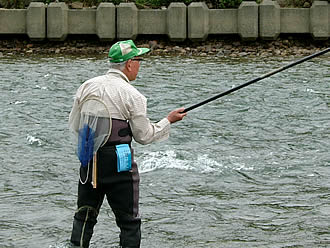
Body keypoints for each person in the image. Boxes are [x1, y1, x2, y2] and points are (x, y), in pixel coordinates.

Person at [68, 40, 187, 248]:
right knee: (129, 222)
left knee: (84, 215)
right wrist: (168, 120)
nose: (140, 65)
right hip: (118, 161)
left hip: (89, 158)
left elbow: (75, 123)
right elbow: (145, 136)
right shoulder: (133, 95)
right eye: (139, 60)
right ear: (130, 63)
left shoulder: (87, 86)